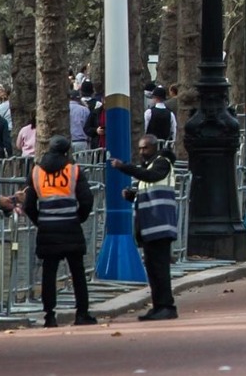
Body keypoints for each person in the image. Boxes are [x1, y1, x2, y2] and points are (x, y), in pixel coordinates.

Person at [112, 135, 183, 320]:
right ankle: (158, 306)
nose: (142, 152)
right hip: (150, 226)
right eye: (140, 148)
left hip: (160, 225)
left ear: (155, 147)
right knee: (152, 269)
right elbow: (148, 192)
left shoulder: (162, 162)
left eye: (146, 148)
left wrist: (124, 167)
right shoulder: (148, 167)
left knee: (160, 269)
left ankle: (167, 306)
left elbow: (153, 177)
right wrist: (132, 195)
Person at [28, 143, 97, 326]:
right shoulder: (73, 171)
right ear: (66, 152)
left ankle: (49, 315)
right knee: (78, 273)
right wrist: (78, 217)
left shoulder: (36, 172)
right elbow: (87, 199)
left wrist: (40, 221)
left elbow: (29, 204)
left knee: (48, 274)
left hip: (47, 230)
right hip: (71, 227)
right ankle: (82, 313)